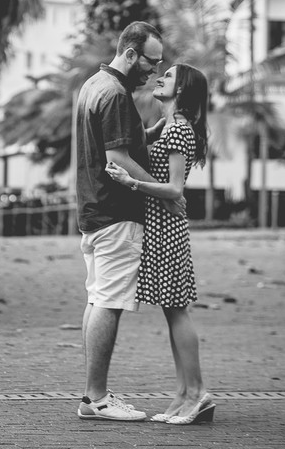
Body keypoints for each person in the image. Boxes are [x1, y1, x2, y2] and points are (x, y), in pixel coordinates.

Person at [73, 21, 180, 422]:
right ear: (131, 53)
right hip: (115, 213)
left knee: (97, 297)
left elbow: (120, 141)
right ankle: (97, 398)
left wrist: (154, 130)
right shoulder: (116, 94)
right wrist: (167, 193)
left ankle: (92, 395)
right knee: (109, 302)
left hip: (92, 210)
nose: (154, 71)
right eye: (151, 62)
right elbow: (117, 159)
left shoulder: (93, 85)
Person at [106, 63, 215, 425]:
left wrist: (130, 181)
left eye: (168, 76)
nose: (160, 78)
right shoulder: (167, 124)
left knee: (177, 310)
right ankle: (183, 394)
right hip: (159, 226)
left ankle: (197, 393)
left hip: (167, 228)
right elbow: (136, 136)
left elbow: (174, 190)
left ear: (181, 91)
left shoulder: (180, 129)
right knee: (172, 311)